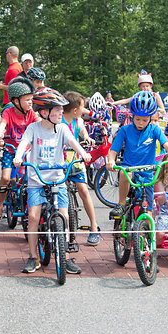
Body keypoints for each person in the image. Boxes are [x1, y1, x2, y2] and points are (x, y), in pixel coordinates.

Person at [13, 87, 91, 275]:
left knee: (63, 216)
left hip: (57, 178)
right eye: (56, 110)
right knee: (33, 216)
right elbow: (24, 143)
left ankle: (64, 257)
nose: (60, 113)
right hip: (37, 179)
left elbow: (73, 142)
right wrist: (18, 156)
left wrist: (84, 154)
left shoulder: (62, 128)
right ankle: (33, 257)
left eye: (60, 110)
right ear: (44, 112)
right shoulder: (34, 128)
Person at [106, 91, 168, 216]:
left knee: (149, 211)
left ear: (151, 118)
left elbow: (167, 144)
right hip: (129, 167)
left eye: (145, 120)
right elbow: (114, 149)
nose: (141, 123)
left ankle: (147, 230)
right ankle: (121, 203)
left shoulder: (154, 129)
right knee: (125, 174)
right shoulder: (125, 130)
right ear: (132, 116)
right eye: (138, 119)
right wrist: (111, 161)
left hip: (148, 170)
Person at [0, 80, 37, 224]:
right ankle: (0, 207)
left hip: (27, 152)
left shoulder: (31, 113)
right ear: (16, 101)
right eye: (27, 100)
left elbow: (39, 123)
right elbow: (2, 125)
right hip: (11, 150)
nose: (30, 103)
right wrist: (0, 133)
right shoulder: (8, 112)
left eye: (31, 99)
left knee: (31, 179)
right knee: (6, 178)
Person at [62, 91, 101, 247]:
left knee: (84, 191)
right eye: (82, 107)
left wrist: (87, 138)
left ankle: (94, 226)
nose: (84, 110)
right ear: (75, 110)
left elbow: (83, 133)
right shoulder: (58, 121)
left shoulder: (77, 121)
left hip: (76, 162)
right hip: (62, 164)